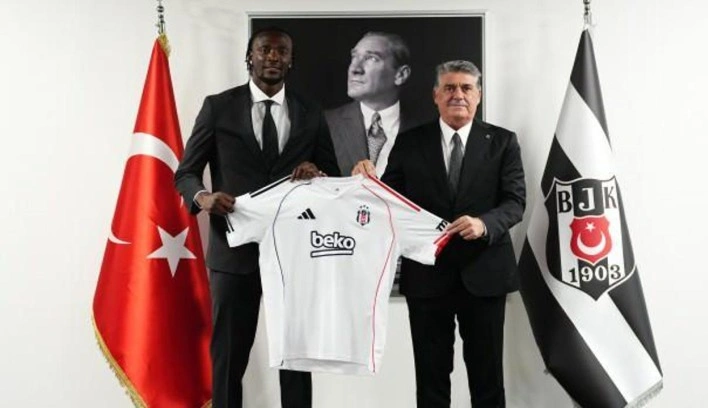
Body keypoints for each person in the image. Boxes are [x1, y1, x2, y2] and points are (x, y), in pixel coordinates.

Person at [174, 27, 340, 408]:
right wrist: (203, 197)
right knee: (229, 357)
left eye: (282, 51)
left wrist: (316, 173)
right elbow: (185, 173)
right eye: (264, 50)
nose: (273, 57)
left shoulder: (310, 111)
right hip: (233, 254)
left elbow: (332, 174)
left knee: (295, 360)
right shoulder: (218, 107)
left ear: (291, 61)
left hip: (292, 254)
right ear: (250, 57)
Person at [353, 60, 526, 407]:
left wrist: (484, 224)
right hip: (427, 279)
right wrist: (366, 180)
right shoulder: (410, 142)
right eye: (449, 88)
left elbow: (515, 202)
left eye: (466, 88)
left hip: (485, 276)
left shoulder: (502, 142)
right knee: (431, 382)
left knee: (488, 381)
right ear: (435, 95)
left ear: (478, 95)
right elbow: (390, 203)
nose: (457, 95)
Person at [325, 31, 422, 176]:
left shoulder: (427, 131)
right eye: (354, 57)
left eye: (371, 58)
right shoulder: (325, 124)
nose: (355, 69)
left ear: (401, 75)